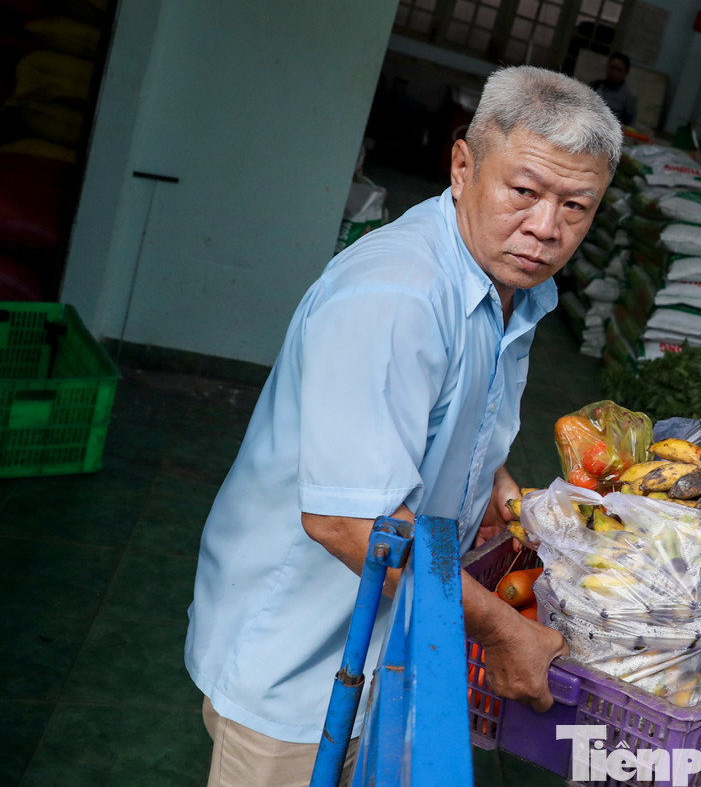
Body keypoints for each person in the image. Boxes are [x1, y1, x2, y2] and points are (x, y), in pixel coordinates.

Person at [185, 66, 623, 787]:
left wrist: (493, 486)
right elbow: (350, 523)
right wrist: (503, 630)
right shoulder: (397, 295)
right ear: (463, 166)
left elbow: (443, 412)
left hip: (388, 647)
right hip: (300, 664)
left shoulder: (510, 285)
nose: (547, 228)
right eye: (524, 191)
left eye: (575, 206)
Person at [590, 52, 639, 126]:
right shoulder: (595, 85)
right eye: (611, 67)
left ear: (626, 73)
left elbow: (629, 125)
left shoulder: (629, 97)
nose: (613, 72)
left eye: (619, 70)